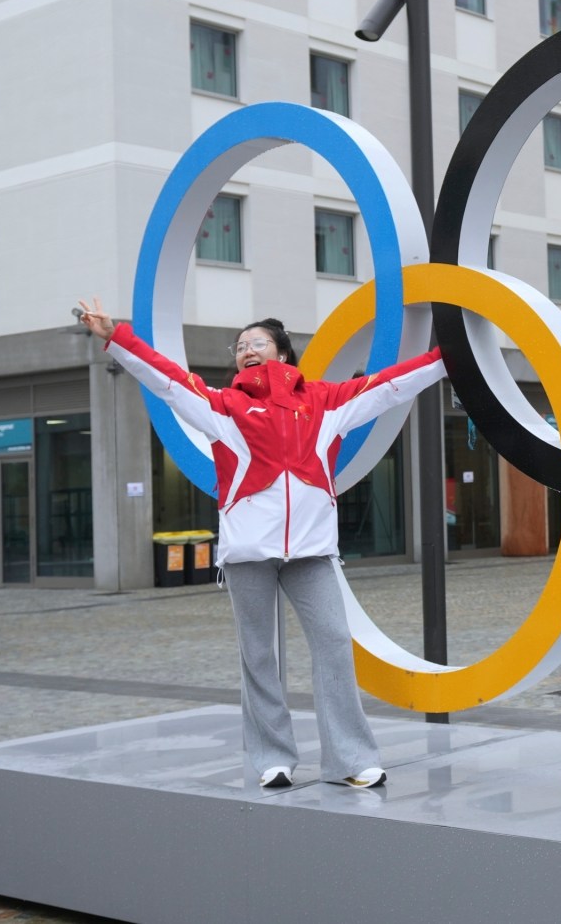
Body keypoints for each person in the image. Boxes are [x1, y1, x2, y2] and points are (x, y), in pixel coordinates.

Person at [76, 299, 446, 789]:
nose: (247, 350)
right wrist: (115, 336)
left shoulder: (325, 402)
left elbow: (389, 385)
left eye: (258, 343)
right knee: (258, 655)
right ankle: (272, 757)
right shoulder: (222, 407)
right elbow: (164, 377)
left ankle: (350, 760)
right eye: (241, 346)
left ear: (284, 355)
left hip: (311, 554)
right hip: (249, 555)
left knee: (335, 645)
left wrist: (447, 360)